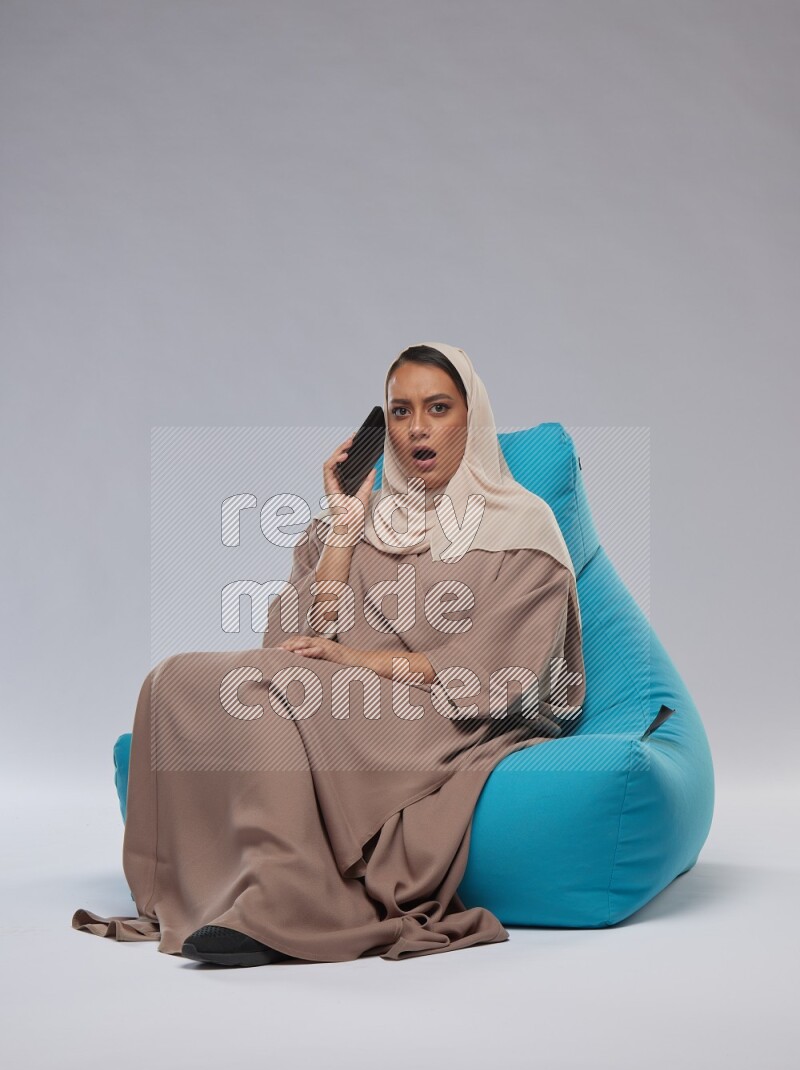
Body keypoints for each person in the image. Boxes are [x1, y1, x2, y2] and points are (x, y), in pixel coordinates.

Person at [72, 341, 586, 967]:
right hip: (345, 700)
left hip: (443, 713)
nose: (417, 428)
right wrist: (342, 532)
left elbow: (499, 675)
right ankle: (199, 892)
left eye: (438, 408)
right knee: (174, 679)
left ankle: (283, 903)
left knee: (265, 691)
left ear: (471, 418)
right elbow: (286, 641)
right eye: (400, 411)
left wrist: (352, 665)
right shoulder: (363, 514)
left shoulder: (522, 526)